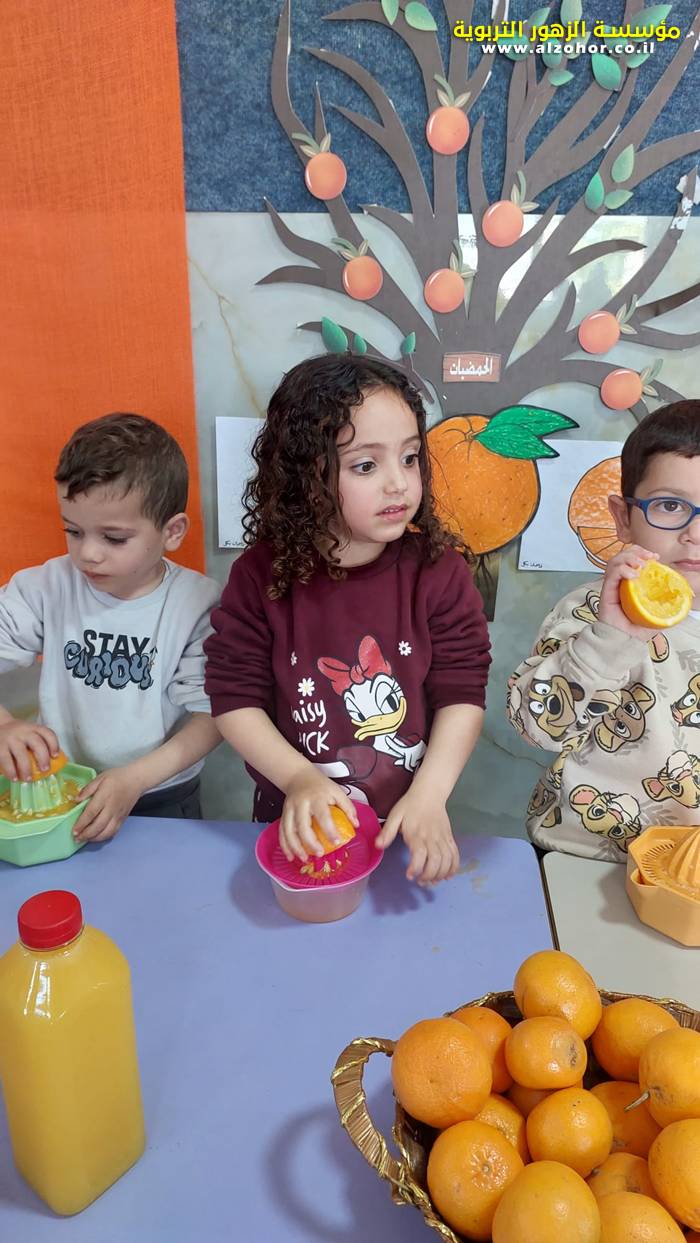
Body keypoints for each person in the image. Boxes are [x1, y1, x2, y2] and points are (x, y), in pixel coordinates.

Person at [204, 354, 491, 885]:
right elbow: (233, 699)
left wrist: (430, 796)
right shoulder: (259, 576)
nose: (398, 484)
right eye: (366, 466)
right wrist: (299, 780)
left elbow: (462, 695)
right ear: (307, 475)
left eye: (410, 458)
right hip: (299, 828)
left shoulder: (439, 573)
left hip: (407, 827)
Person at [0, 413, 221, 841]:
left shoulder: (198, 604)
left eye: (114, 538)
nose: (88, 554)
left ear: (172, 532)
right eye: (73, 531)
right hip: (59, 790)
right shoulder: (46, 586)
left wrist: (136, 779)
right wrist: (4, 727)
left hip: (162, 795)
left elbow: (213, 717)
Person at [507, 399, 700, 860]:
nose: (694, 533)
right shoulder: (592, 610)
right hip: (584, 854)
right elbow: (537, 728)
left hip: (686, 869)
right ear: (622, 518)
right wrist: (611, 637)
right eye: (670, 505)